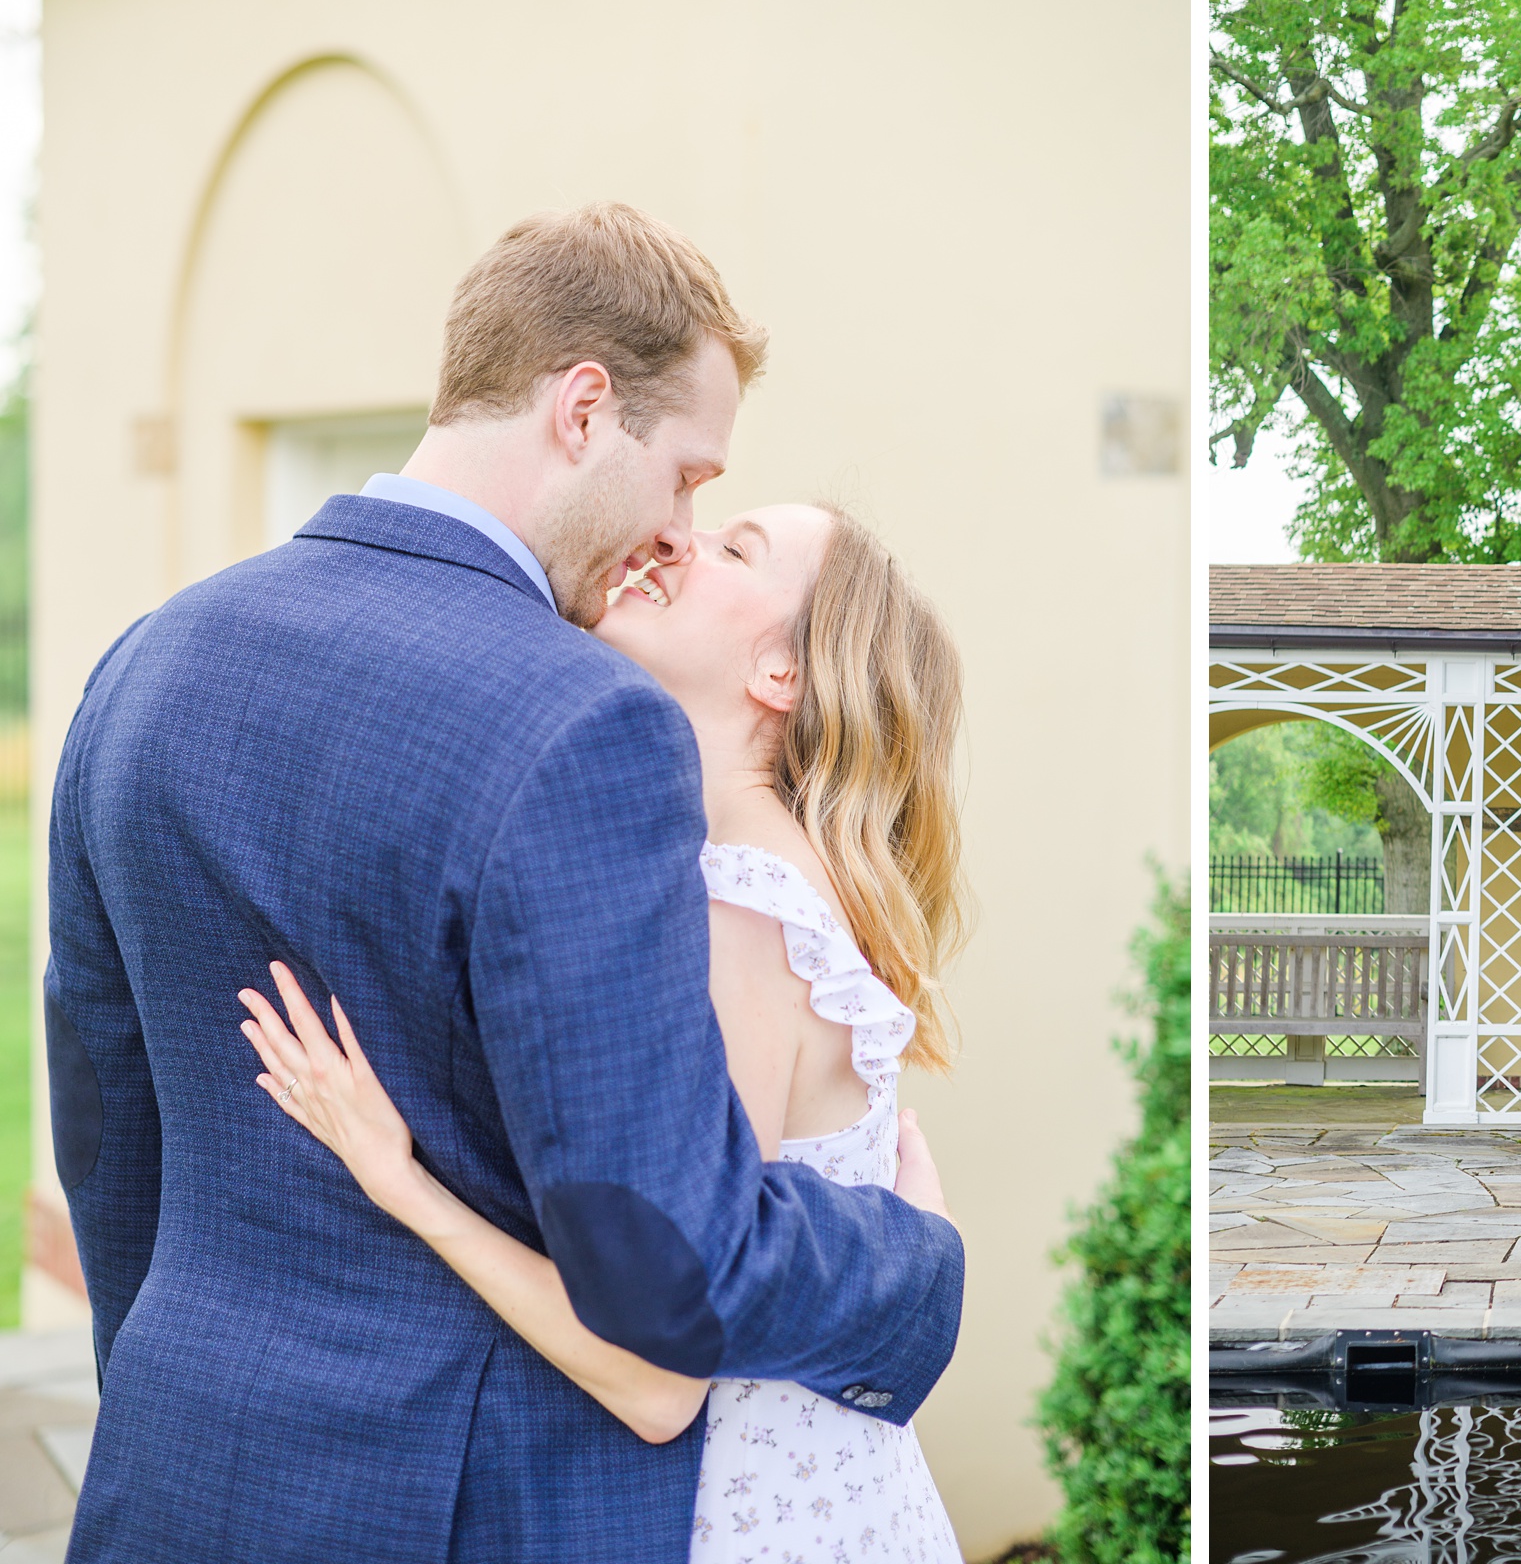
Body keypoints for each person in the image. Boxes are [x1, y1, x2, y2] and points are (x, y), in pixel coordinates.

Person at [46, 205, 965, 1562]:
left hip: (177, 1476)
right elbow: (666, 1254)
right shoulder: (582, 723)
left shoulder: (142, 663)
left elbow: (107, 1127)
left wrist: (179, 1375)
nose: (678, 527)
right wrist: (915, 1269)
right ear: (586, 407)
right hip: (460, 1507)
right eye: (691, 476)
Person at [242, 501, 969, 1560]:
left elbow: (658, 1379)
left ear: (781, 672)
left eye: (734, 548)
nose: (679, 540)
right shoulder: (766, 886)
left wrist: (400, 1181)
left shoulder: (740, 910)